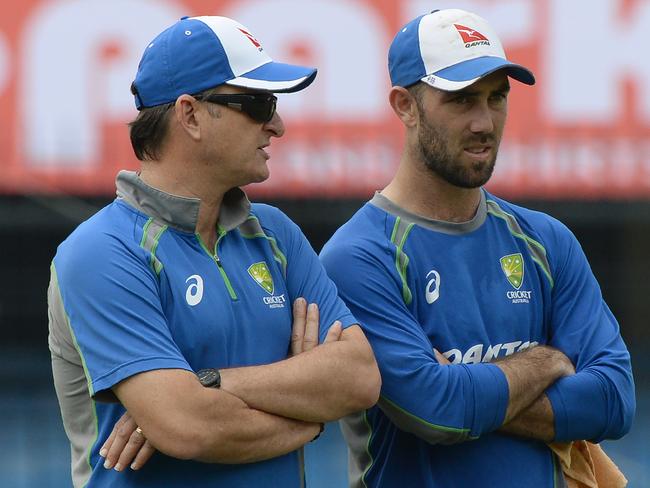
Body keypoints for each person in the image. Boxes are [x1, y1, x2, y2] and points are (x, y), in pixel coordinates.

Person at [47, 15, 380, 488]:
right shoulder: (100, 251)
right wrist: (306, 410)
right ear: (190, 115)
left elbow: (359, 378)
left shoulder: (276, 233)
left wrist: (207, 383)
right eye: (259, 103)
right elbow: (187, 426)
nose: (278, 124)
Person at [319, 8, 635, 488]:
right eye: (462, 100)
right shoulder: (360, 256)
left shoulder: (546, 240)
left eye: (496, 98)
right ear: (405, 105)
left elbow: (615, 400)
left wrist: (468, 390)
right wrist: (545, 361)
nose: (485, 122)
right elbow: (436, 413)